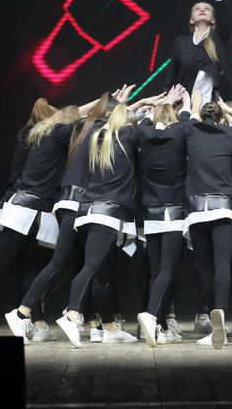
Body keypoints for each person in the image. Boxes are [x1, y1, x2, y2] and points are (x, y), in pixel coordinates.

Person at [0, 100, 90, 339]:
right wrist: (108, 104)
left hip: (35, 209)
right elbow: (83, 119)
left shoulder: (35, 133)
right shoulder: (55, 133)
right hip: (26, 208)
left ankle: (31, 320)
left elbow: (76, 117)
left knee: (32, 266)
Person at [53, 87, 167, 347]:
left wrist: (128, 105)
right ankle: (72, 315)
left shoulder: (96, 136)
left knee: (96, 270)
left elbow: (107, 120)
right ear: (128, 123)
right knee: (92, 267)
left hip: (88, 212)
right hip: (108, 214)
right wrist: (156, 110)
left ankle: (108, 328)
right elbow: (147, 131)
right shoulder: (128, 136)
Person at [134, 84, 195, 347]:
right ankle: (151, 316)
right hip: (174, 211)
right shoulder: (180, 132)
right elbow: (187, 121)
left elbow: (144, 122)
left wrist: (160, 104)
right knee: (168, 268)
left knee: (155, 271)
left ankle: (159, 327)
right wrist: (187, 104)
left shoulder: (145, 134)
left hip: (150, 211)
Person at [182, 90, 232, 349]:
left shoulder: (191, 131)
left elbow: (187, 120)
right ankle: (221, 313)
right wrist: (231, 112)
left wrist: (192, 105)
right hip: (223, 208)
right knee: (223, 263)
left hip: (196, 210)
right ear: (221, 117)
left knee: (205, 268)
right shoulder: (230, 133)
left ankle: (211, 316)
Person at [163, 0, 232, 103]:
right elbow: (171, 77)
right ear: (191, 19)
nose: (202, 9)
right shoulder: (181, 42)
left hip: (215, 107)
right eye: (197, 8)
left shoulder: (217, 39)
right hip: (185, 106)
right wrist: (166, 102)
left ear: (213, 19)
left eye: (207, 9)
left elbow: (225, 7)